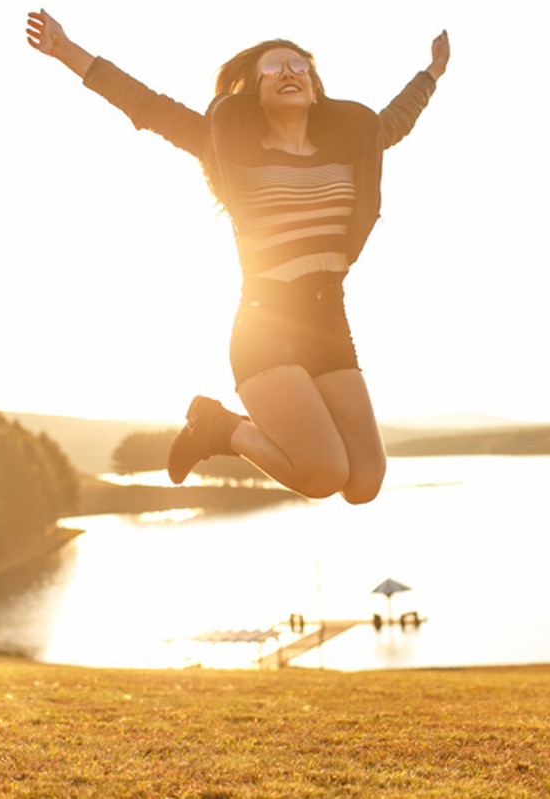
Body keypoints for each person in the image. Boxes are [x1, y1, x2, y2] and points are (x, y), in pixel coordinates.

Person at [26, 10, 449, 504]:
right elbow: (144, 103)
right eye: (273, 69)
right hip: (267, 327)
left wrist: (432, 71)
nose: (288, 72)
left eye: (298, 66)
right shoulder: (223, 145)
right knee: (322, 474)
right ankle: (218, 428)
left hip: (331, 323)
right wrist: (67, 50)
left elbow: (396, 118)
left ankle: (222, 428)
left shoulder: (353, 142)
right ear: (254, 92)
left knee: (364, 484)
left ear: (314, 87)